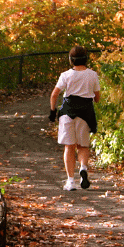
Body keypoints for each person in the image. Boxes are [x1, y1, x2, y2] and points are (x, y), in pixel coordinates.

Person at [49, 46, 101, 191]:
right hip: (85, 113)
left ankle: (70, 182)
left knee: (69, 146)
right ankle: (83, 168)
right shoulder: (92, 75)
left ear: (71, 60)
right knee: (83, 145)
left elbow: (54, 94)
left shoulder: (65, 75)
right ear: (86, 59)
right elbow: (97, 98)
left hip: (68, 112)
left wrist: (52, 112)